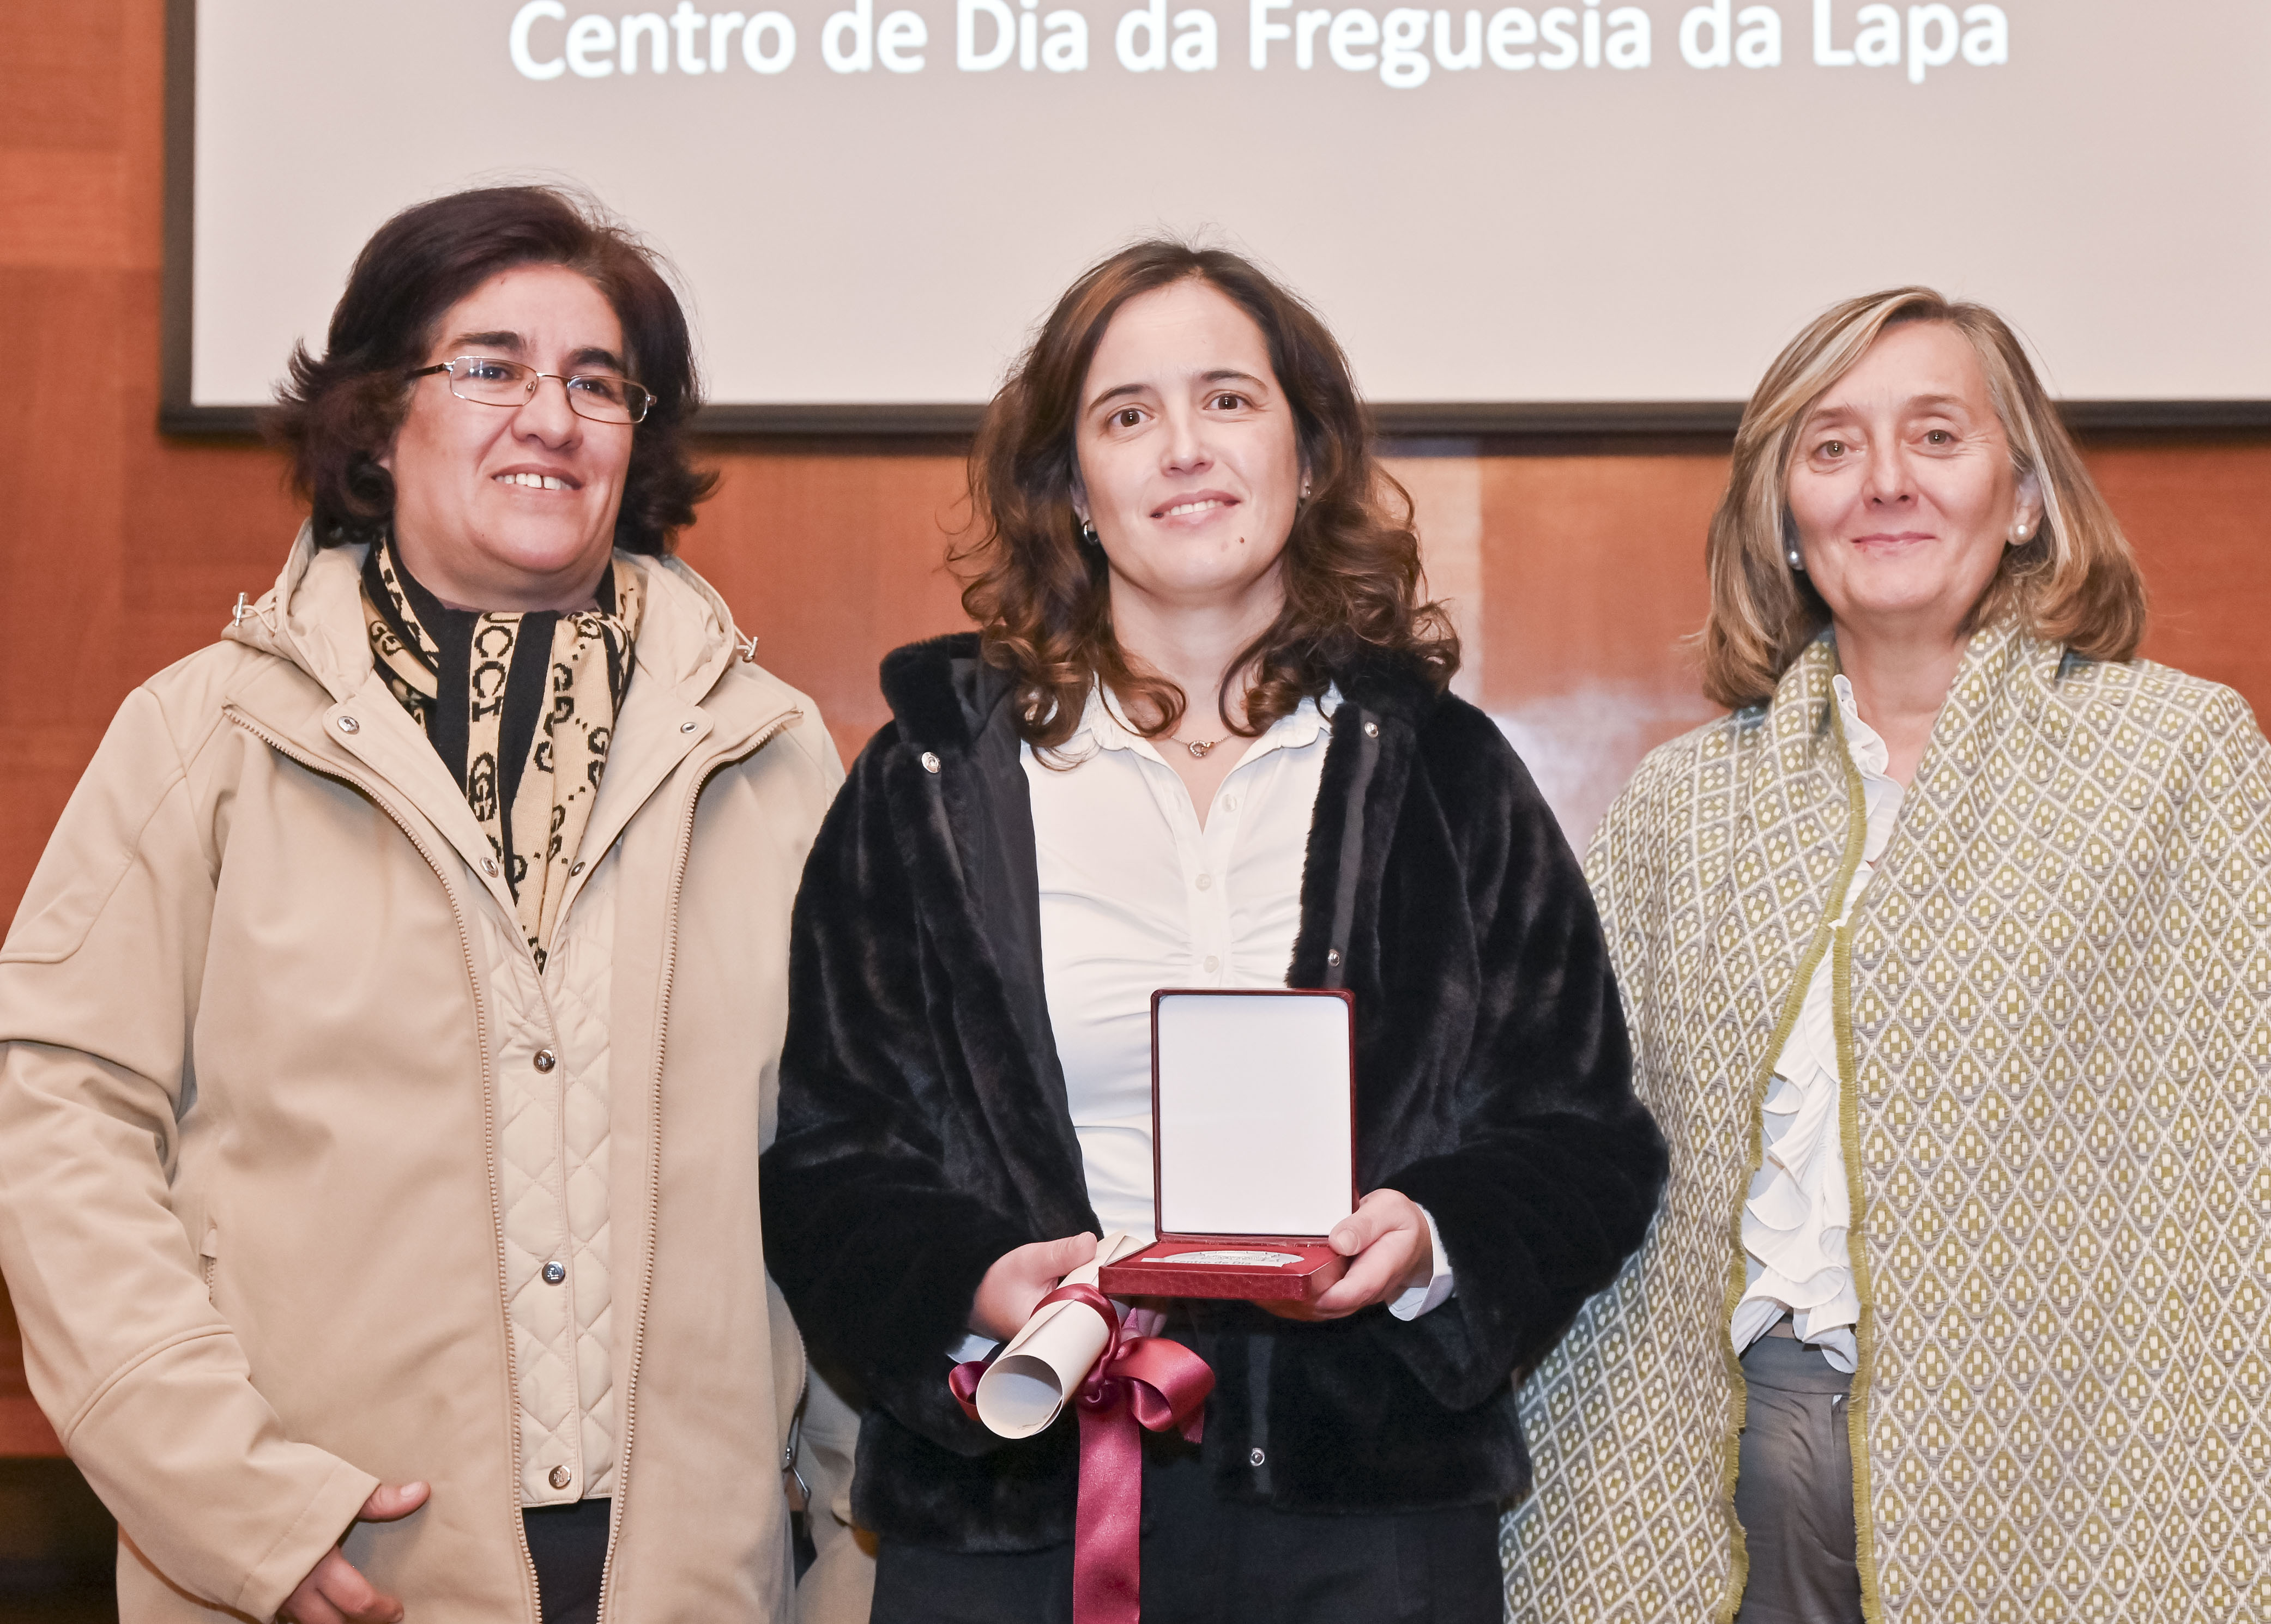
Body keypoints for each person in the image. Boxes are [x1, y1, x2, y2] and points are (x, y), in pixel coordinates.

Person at [759, 240, 1668, 1624]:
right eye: (1128, 414)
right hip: (1010, 1512)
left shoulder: (1443, 769)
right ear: (1071, 489)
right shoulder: (928, 778)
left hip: (1366, 1518)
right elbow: (831, 1158)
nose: (1183, 448)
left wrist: (1427, 1242)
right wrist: (972, 1281)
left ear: (1306, 458)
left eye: (1228, 401)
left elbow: (1582, 1134)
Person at [0, 186, 872, 1624]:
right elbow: (57, 1121)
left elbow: (844, 1169)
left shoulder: (768, 753)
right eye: (490, 366)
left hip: (703, 1578)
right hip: (323, 1568)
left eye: (598, 382)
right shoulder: (203, 736)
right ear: (377, 416)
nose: (553, 414)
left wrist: (854, 1556)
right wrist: (237, 1504)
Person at [1500, 288, 2271, 1624]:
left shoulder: (2177, 760)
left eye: (1936, 436)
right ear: (1783, 516)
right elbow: (1578, 1140)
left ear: (2021, 496)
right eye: (1831, 447)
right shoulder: (1682, 805)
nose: (1885, 483)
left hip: (2083, 1452)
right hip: (1717, 1450)